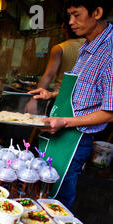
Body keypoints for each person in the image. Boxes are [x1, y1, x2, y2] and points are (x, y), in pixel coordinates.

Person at [29, 0, 112, 210]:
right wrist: (51, 94)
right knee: (42, 190)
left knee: (58, 201)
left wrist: (64, 121)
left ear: (97, 11)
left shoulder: (109, 53)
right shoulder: (87, 46)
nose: (71, 22)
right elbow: (83, 92)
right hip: (59, 132)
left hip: (76, 140)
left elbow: (110, 112)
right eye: (69, 15)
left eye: (76, 15)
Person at [26, 23, 85, 114]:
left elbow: (49, 75)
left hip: (60, 98)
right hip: (82, 99)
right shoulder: (89, 45)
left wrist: (34, 100)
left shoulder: (59, 48)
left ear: (64, 28)